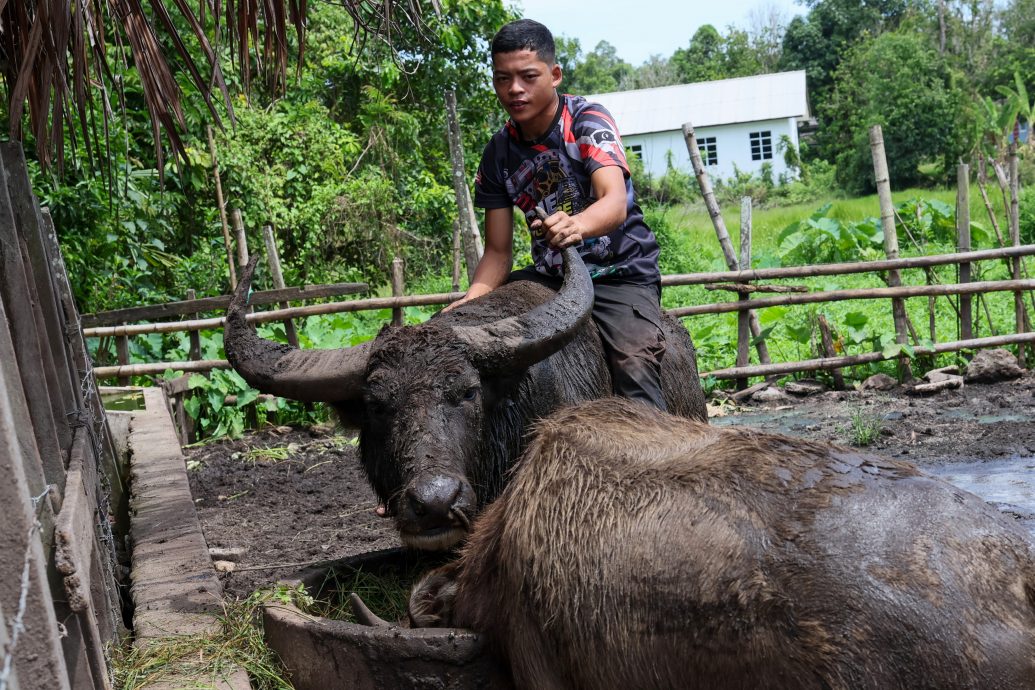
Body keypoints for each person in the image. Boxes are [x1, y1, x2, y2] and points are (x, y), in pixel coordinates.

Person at [446, 18, 668, 411]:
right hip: (551, 278)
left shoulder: (587, 121)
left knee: (635, 364)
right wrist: (474, 297)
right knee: (472, 343)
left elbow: (614, 202)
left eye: (528, 76)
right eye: (503, 78)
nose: (514, 89)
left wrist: (577, 224)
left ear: (555, 75)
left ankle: (658, 448)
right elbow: (498, 252)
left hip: (618, 272)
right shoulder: (497, 153)